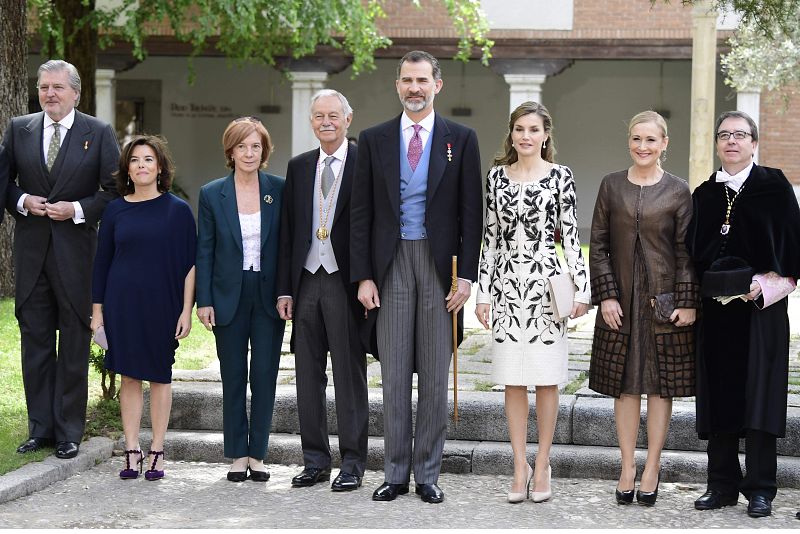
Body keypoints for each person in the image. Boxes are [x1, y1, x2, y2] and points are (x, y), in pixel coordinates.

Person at [350, 50, 483, 504]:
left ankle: (427, 473)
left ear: (436, 85)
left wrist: (466, 277)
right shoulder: (374, 139)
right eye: (407, 80)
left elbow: (471, 213)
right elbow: (361, 214)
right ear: (398, 85)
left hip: (439, 266)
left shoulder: (460, 139)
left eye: (422, 80)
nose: (414, 88)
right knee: (392, 374)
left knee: (433, 374)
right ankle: (394, 473)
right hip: (389, 266)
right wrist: (363, 276)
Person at [2, 60, 119, 459]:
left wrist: (77, 209)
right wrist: (22, 200)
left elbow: (113, 191)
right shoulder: (19, 128)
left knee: (73, 342)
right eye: (43, 87)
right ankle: (41, 429)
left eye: (57, 87)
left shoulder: (98, 132)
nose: (49, 94)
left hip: (77, 256)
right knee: (35, 342)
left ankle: (69, 430)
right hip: (32, 255)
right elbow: (4, 183)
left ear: (75, 93)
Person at [475, 101, 590, 504]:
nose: (526, 136)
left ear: (545, 135)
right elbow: (489, 239)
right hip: (506, 288)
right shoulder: (495, 178)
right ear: (511, 134)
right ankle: (518, 465)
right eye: (519, 129)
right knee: (512, 379)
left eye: (534, 129)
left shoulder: (561, 176)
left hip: (546, 289)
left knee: (546, 378)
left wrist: (582, 290)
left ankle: (542, 464)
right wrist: (483, 293)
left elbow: (571, 237)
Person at [687, 110, 800, 518]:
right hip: (716, 314)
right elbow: (692, 253)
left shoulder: (774, 186)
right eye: (724, 135)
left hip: (760, 312)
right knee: (720, 394)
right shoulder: (705, 194)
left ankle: (761, 488)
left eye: (740, 134)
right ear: (717, 144)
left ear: (754, 142)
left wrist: (763, 284)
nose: (731, 141)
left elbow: (792, 250)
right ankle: (721, 485)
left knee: (760, 396)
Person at [588, 110, 698, 507]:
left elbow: (686, 252)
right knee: (624, 385)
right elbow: (598, 245)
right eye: (636, 138)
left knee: (660, 385)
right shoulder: (611, 185)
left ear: (664, 143)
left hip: (663, 304)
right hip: (621, 302)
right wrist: (607, 296)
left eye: (650, 139)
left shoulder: (679, 191)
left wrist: (687, 301)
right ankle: (627, 467)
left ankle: (652, 466)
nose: (642, 146)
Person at [276, 90, 368, 491]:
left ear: (348, 119)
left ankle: (353, 463)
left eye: (333, 115)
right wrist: (285, 289)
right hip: (307, 279)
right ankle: (314, 460)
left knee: (349, 374)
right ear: (311, 121)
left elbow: (374, 225)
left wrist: (367, 278)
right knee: (306, 376)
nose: (326, 122)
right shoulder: (299, 167)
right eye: (318, 116)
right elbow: (288, 232)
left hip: (345, 280)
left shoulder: (365, 162)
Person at [91, 135, 196, 480]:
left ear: (160, 167)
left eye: (148, 159)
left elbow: (190, 265)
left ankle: (158, 450)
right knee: (130, 375)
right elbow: (101, 264)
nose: (141, 165)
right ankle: (132, 449)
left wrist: (186, 310)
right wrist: (97, 312)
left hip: (163, 305)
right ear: (127, 169)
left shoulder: (178, 211)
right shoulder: (115, 210)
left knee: (160, 376)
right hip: (122, 305)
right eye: (135, 160)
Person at [196, 117, 286, 483]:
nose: (249, 153)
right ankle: (237, 453)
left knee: (264, 374)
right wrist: (204, 300)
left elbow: (287, 246)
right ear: (230, 152)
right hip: (227, 295)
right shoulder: (211, 193)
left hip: (268, 296)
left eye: (255, 146)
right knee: (233, 375)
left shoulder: (279, 189)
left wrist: (286, 291)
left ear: (264, 151)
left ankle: (258, 453)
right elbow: (205, 250)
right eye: (242, 146)